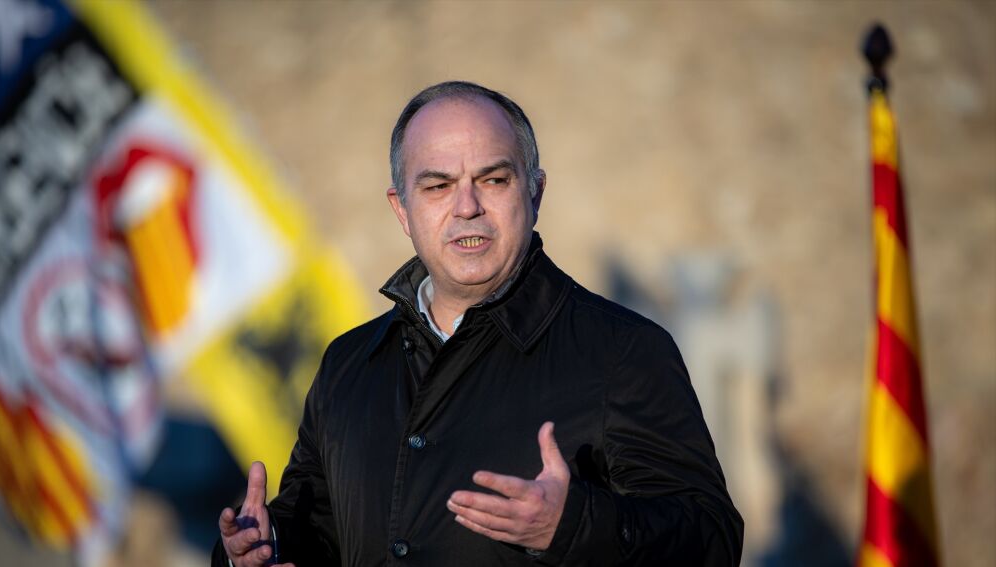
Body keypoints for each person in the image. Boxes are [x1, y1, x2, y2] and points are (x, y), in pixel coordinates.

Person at [213, 81, 743, 567]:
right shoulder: (348, 364)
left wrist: (573, 526)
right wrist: (259, 548)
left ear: (534, 193)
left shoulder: (623, 351)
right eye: (438, 186)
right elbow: (319, 528)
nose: (467, 207)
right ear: (402, 209)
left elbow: (712, 539)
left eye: (493, 179)